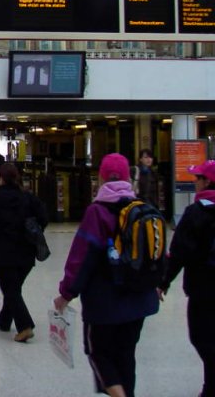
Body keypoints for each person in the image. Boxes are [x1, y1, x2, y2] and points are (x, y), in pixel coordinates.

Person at [53, 153, 159, 397]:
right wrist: (158, 285)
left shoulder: (97, 212)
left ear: (101, 178)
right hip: (139, 300)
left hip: (105, 302)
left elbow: (81, 258)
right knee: (125, 354)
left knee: (98, 353)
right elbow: (157, 254)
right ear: (127, 177)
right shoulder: (143, 209)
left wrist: (66, 294)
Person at [158, 160, 215, 397]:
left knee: (202, 336)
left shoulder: (196, 212)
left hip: (203, 288)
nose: (195, 182)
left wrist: (163, 281)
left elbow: (179, 251)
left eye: (198, 178)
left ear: (207, 181)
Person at [0, 163, 48, 343]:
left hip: (3, 254)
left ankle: (25, 326)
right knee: (14, 288)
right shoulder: (28, 198)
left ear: (0, 179)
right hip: (26, 254)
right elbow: (44, 217)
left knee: (11, 290)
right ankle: (4, 321)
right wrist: (33, 230)